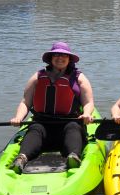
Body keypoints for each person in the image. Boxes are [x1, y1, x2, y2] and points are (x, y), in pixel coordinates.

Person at [9, 41, 95, 174]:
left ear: (69, 59)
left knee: (73, 128)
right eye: (56, 55)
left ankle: (73, 156)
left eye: (64, 55)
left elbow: (88, 103)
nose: (60, 58)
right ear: (50, 58)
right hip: (43, 122)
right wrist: (18, 117)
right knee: (35, 128)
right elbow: (25, 102)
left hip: (69, 122)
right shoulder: (38, 76)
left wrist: (87, 114)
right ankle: (22, 158)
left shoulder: (79, 78)